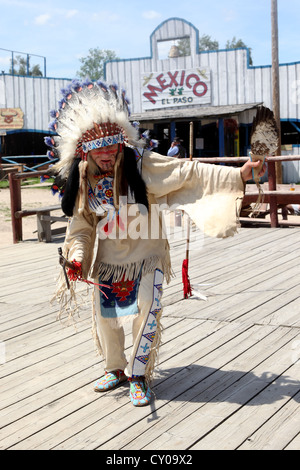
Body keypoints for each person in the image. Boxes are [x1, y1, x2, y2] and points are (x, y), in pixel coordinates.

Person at [47, 79, 265, 407]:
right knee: (106, 317)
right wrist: (76, 258)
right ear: (85, 150)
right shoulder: (84, 179)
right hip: (108, 260)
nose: (106, 154)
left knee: (146, 310)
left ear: (121, 143)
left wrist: (237, 176)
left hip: (148, 256)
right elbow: (81, 227)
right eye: (99, 149)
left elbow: (186, 172)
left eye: (111, 147)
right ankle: (115, 368)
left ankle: (138, 374)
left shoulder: (143, 165)